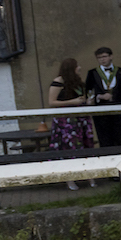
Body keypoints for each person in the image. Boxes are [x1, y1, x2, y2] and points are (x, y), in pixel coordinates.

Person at [47, 57, 96, 189]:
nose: (79, 68)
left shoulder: (78, 82)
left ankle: (90, 177)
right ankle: (70, 179)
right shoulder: (58, 82)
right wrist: (72, 102)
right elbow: (52, 102)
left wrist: (87, 102)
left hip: (81, 119)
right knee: (70, 147)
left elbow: (80, 98)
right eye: (77, 66)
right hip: (66, 121)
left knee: (86, 146)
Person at [84, 46, 121, 147]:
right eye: (99, 58)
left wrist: (116, 98)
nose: (102, 59)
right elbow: (88, 91)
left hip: (118, 109)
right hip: (101, 111)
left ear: (111, 56)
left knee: (120, 137)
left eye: (104, 56)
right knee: (104, 138)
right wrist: (99, 97)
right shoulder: (92, 73)